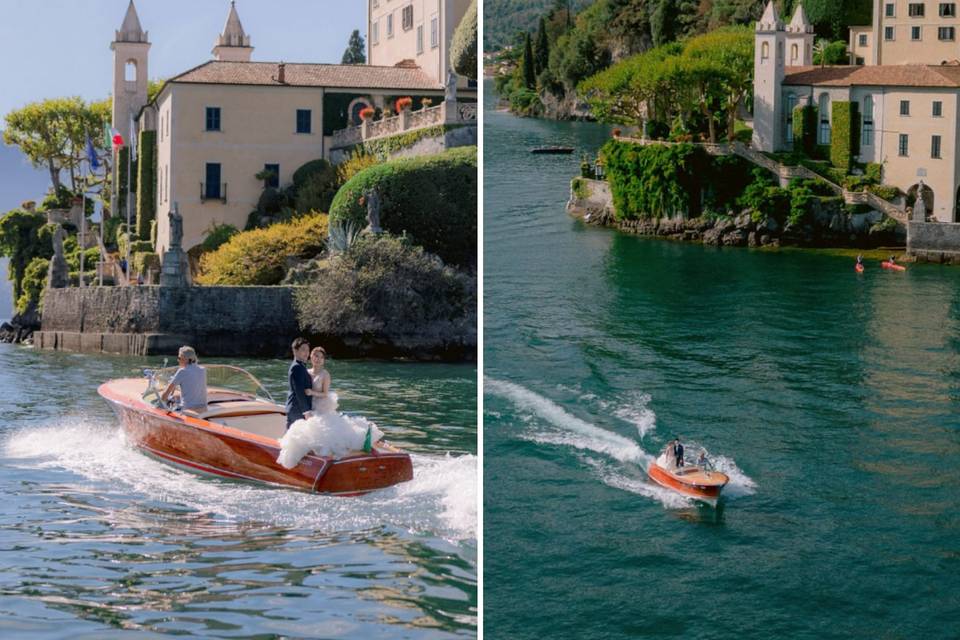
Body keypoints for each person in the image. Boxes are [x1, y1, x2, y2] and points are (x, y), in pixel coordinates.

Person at [160, 346, 207, 411]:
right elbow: (192, 390)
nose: (178, 360)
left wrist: (160, 402)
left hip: (187, 410)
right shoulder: (202, 369)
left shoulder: (182, 371)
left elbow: (166, 393)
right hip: (203, 409)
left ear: (185, 359)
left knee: (167, 405)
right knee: (176, 399)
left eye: (179, 358)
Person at [286, 337, 313, 429]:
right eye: (303, 350)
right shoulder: (296, 367)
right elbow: (299, 392)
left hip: (297, 409)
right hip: (297, 410)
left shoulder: (300, 366)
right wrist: (306, 412)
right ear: (295, 351)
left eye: (308, 350)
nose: (307, 353)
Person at [303, 346, 331, 412]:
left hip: (320, 406)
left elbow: (325, 393)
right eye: (316, 356)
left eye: (321, 357)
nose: (318, 359)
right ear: (311, 357)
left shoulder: (325, 374)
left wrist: (312, 392)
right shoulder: (306, 372)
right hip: (306, 403)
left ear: (323, 360)